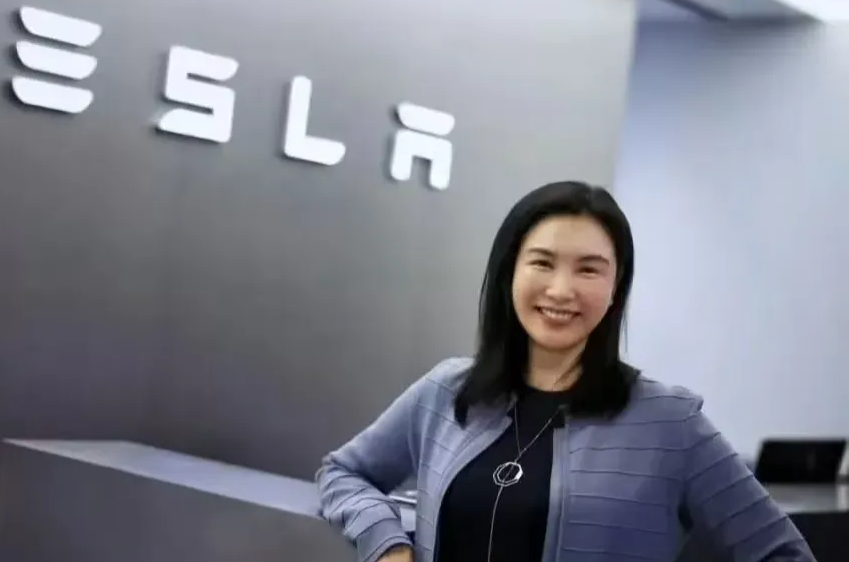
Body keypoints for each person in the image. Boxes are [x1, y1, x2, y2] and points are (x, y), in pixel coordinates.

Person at [316, 181, 814, 562]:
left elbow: (782, 553)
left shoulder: (670, 422)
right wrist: (386, 543)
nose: (560, 290)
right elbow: (342, 472)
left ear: (616, 287)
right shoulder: (446, 390)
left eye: (589, 269)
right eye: (542, 262)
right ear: (510, 272)